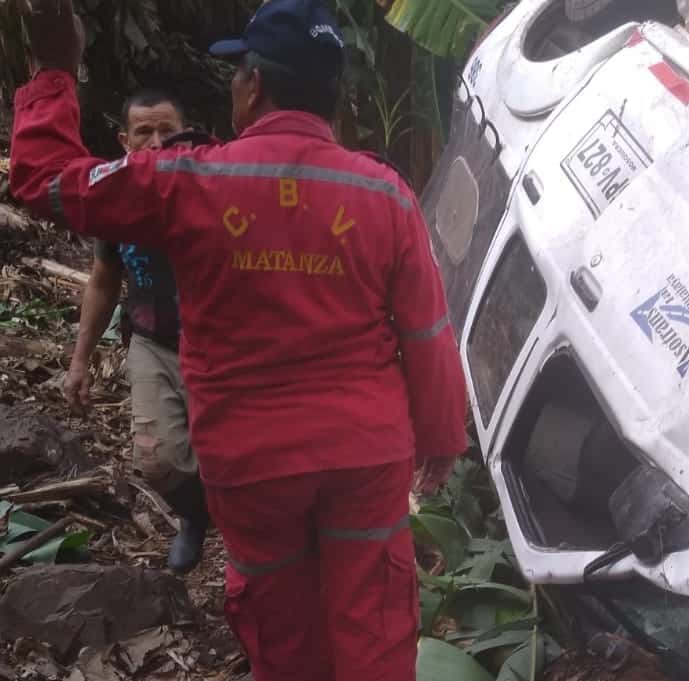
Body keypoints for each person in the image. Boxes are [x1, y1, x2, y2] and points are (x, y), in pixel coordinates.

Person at [10, 1, 469, 680]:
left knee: (282, 628)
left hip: (253, 466)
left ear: (254, 87)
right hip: (363, 455)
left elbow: (42, 181)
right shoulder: (386, 195)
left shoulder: (187, 181)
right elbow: (428, 332)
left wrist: (53, 70)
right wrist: (439, 436)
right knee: (373, 622)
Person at [65, 89, 210, 575]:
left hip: (216, 343)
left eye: (166, 130)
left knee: (232, 455)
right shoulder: (114, 200)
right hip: (151, 340)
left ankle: (248, 545)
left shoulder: (213, 187)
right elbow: (104, 280)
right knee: (158, 460)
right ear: (124, 141)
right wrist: (80, 360)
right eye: (143, 132)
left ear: (185, 134)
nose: (155, 142)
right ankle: (195, 519)